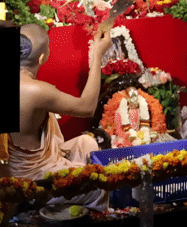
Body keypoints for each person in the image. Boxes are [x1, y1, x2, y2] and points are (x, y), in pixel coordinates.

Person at [10, 22, 111, 209]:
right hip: (31, 178)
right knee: (99, 185)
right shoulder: (35, 90)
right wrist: (97, 55)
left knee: (86, 143)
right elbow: (87, 107)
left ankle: (70, 199)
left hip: (38, 160)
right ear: (42, 58)